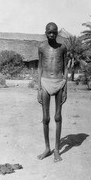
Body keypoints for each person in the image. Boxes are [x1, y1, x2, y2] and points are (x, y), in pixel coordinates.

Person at [37, 22, 68, 162]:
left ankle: (56, 149)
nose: (52, 34)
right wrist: (38, 88)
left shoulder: (62, 48)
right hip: (44, 82)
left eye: (54, 32)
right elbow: (39, 68)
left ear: (57, 33)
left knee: (58, 116)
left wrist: (65, 87)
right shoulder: (42, 47)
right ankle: (47, 148)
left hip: (59, 82)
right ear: (45, 32)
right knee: (45, 118)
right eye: (49, 32)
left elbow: (66, 68)